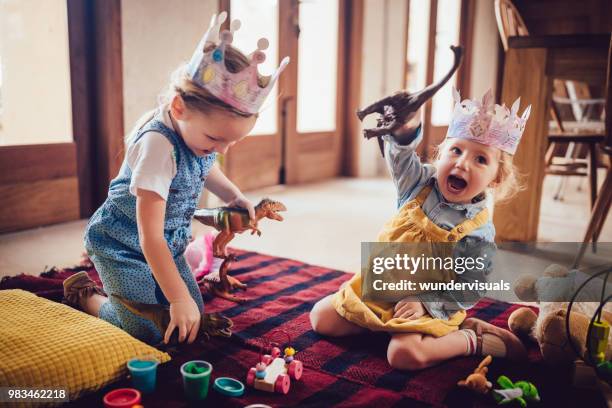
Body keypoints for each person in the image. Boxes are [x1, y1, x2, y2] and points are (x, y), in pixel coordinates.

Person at [63, 12, 289, 345]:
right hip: (122, 244)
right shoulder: (158, 146)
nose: (221, 149)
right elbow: (148, 237)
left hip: (168, 245)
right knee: (148, 330)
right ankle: (86, 295)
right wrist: (178, 298)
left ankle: (155, 297)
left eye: (231, 142)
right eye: (215, 139)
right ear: (179, 107)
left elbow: (205, 165)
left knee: (191, 316)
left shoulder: (196, 136)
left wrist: (234, 196)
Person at [310, 88, 531, 370]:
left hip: (426, 302)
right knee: (321, 318)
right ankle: (378, 324)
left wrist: (425, 304)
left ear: (495, 180)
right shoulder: (418, 184)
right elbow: (401, 157)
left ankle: (470, 338)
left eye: (480, 159)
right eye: (456, 150)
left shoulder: (478, 232)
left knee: (404, 356)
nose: (462, 163)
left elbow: (469, 288)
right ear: (440, 155)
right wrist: (406, 128)